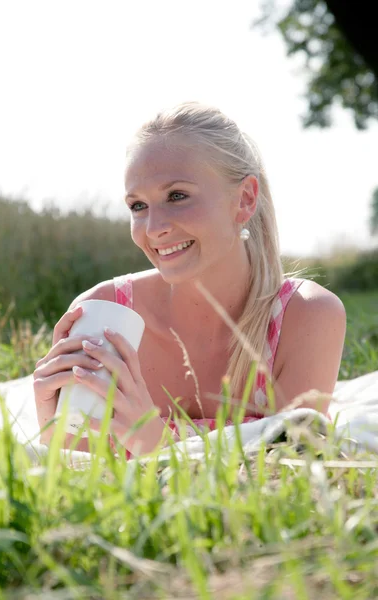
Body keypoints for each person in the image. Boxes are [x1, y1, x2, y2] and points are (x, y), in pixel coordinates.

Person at [33, 101, 347, 458]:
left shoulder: (305, 316)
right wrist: (52, 427)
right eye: (138, 206)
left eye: (177, 196)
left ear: (244, 200)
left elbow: (294, 478)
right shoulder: (106, 314)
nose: (154, 228)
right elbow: (80, 477)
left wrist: (158, 448)